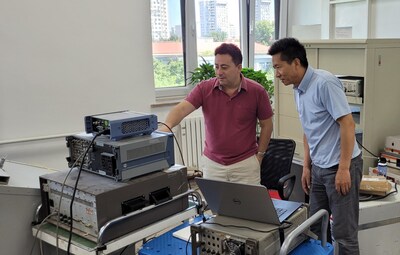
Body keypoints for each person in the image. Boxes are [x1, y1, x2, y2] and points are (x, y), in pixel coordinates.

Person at [268, 37, 363, 255]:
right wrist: (308, 166)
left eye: (278, 67)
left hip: (339, 166)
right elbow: (309, 129)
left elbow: (347, 124)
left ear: (296, 63)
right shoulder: (298, 87)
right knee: (315, 227)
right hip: (319, 168)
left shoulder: (324, 83)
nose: (277, 74)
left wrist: (343, 169)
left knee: (343, 234)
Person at [159, 43, 273, 185]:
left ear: (239, 67)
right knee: (216, 206)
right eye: (216, 66)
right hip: (213, 165)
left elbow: (267, 125)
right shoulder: (204, 88)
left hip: (245, 165)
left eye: (224, 67)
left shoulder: (257, 92)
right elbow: (181, 109)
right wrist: (166, 126)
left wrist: (260, 156)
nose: (219, 72)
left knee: (247, 206)